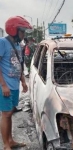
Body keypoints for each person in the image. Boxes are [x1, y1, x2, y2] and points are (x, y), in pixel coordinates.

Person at [0, 16, 32, 150]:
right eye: (22, 31)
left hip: (15, 85)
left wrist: (23, 82)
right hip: (5, 86)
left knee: (10, 113)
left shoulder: (19, 45)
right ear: (14, 30)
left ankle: (11, 140)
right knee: (6, 114)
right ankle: (6, 145)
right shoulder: (2, 42)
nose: (24, 34)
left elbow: (19, 64)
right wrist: (3, 85)